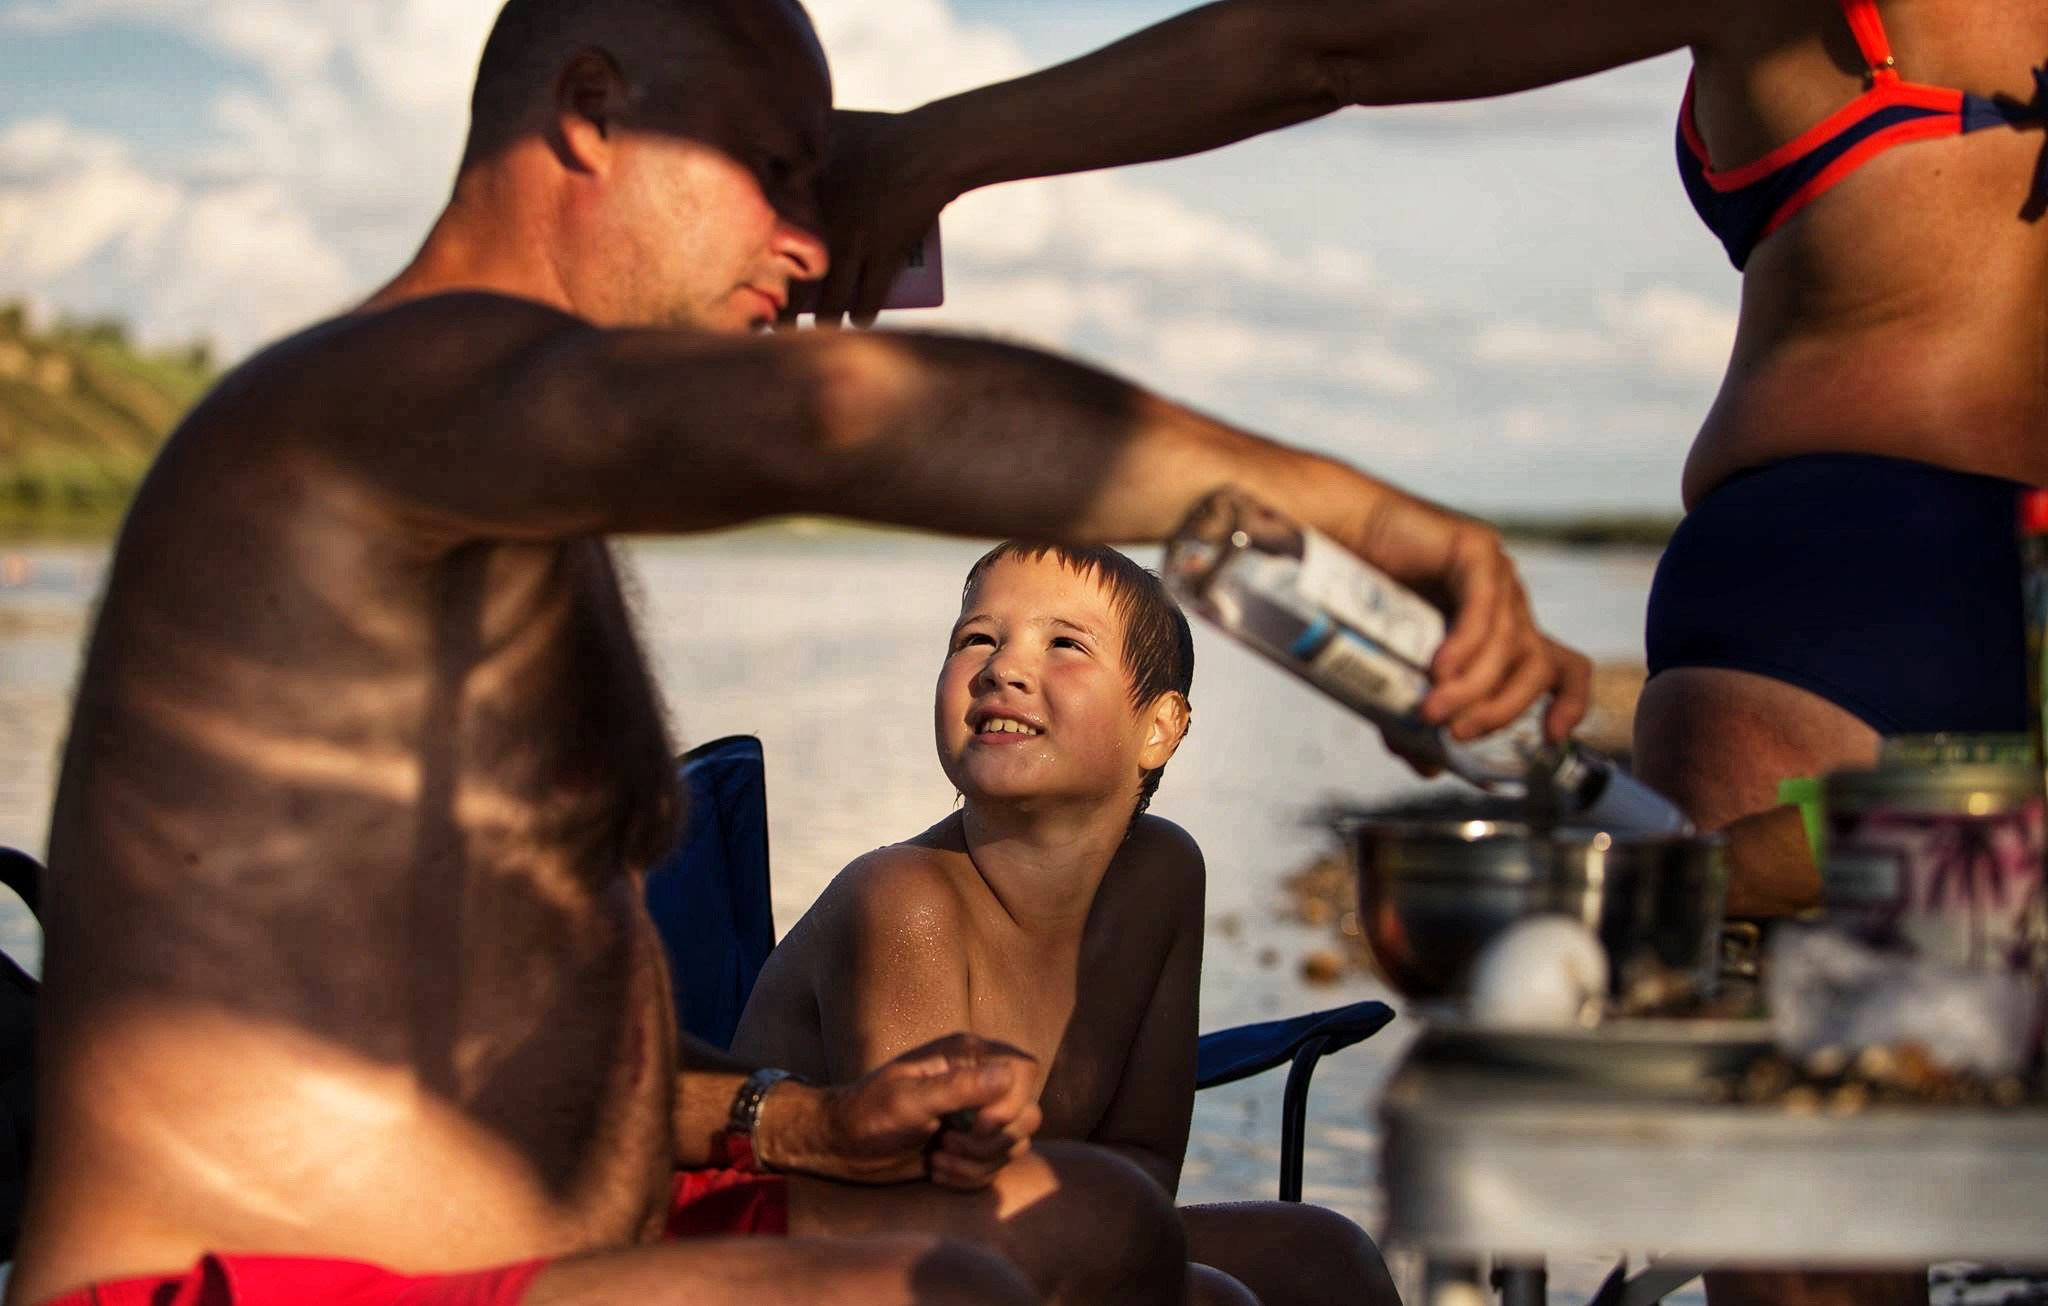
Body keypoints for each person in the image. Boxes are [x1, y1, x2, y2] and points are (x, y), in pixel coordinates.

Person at [5, 0, 1591, 1303]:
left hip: (590, 1248)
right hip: (265, 1285)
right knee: (961, 1289)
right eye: (777, 172)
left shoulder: (512, 509)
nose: (817, 246)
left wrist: (804, 1117)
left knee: (1172, 1241)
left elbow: (526, 1019)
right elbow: (839, 425)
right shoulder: (365, 396)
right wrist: (1353, 527)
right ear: (591, 115)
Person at [804, 7, 2048, 1300]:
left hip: (1844, 584)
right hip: (1927, 605)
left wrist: (927, 149)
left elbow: (1329, 42)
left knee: (1819, 1239)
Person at [731, 541, 1401, 1306]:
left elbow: (1144, 1157)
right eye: (977, 638)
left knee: (1328, 1256)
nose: (1003, 669)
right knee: (1213, 1299)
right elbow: (919, 1222)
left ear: (1159, 727)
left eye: (1065, 645)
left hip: (1031, 1234)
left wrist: (1122, 1256)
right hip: (818, 1265)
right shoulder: (902, 901)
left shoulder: (1164, 875)